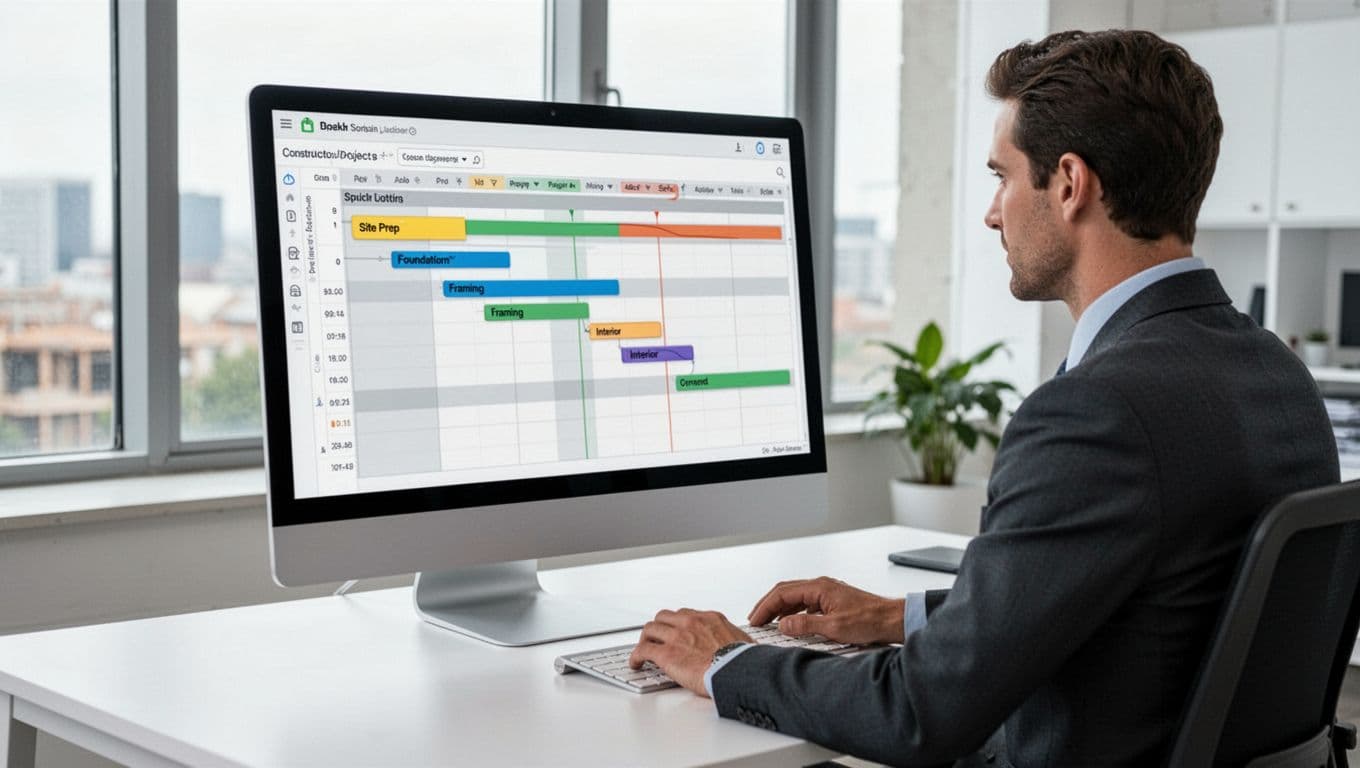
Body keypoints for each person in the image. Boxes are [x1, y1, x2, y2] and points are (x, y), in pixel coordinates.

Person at [627, 29, 1340, 767]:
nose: (993, 213)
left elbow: (918, 714)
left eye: (1003, 177)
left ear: (1070, 184)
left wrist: (728, 662)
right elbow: (1149, 600)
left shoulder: (1097, 412)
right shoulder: (1278, 375)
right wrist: (899, 615)